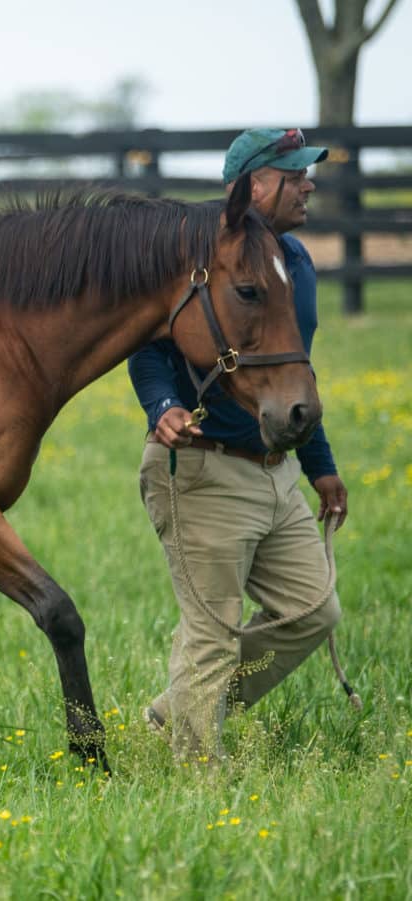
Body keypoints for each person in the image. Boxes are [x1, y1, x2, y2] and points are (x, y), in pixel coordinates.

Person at [129, 127, 349, 760]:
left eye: (308, 173)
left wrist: (321, 466)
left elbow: (292, 373)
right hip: (204, 468)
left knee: (313, 611)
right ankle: (198, 778)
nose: (309, 184)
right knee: (213, 633)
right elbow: (148, 346)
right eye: (295, 174)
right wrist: (163, 405)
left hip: (275, 471)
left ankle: (181, 712)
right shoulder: (198, 257)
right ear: (255, 184)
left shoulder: (293, 264)